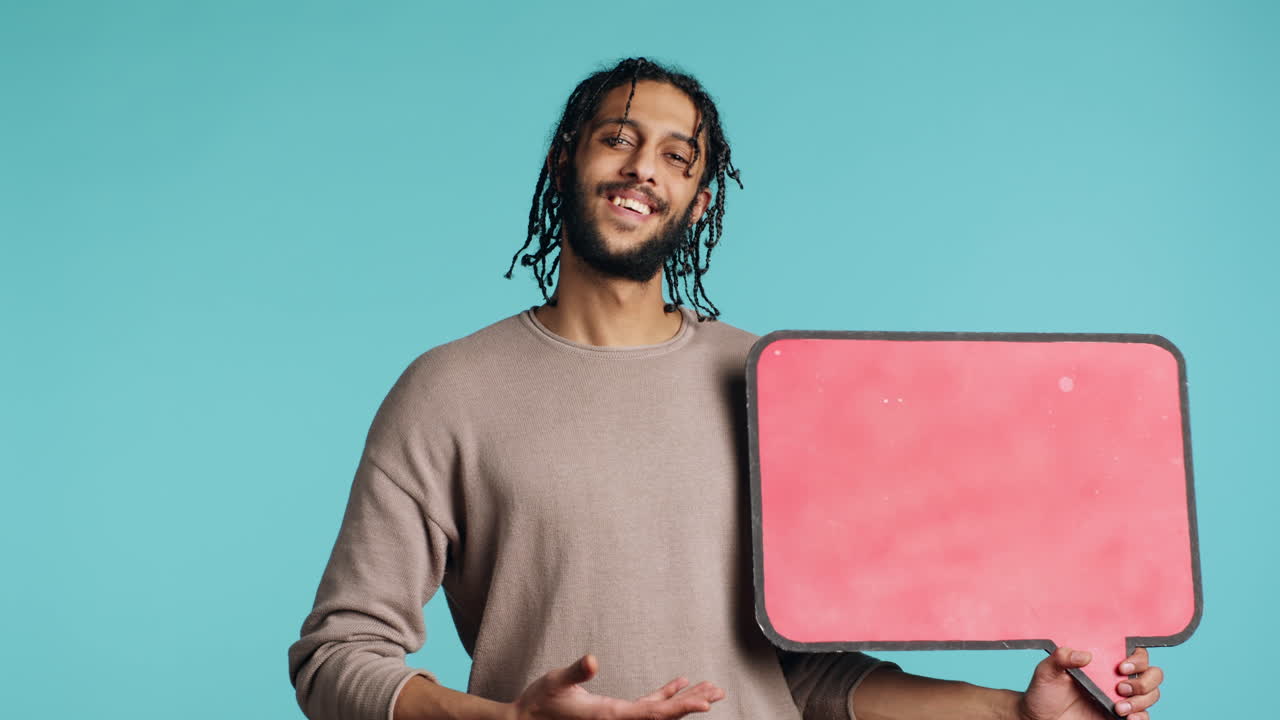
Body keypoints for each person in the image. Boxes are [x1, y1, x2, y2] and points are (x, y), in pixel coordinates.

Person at [287, 57, 1165, 720]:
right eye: (618, 138)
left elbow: (800, 669)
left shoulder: (769, 384)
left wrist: (1016, 711)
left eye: (676, 156)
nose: (643, 169)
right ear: (566, 159)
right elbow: (336, 658)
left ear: (698, 202)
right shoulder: (449, 391)